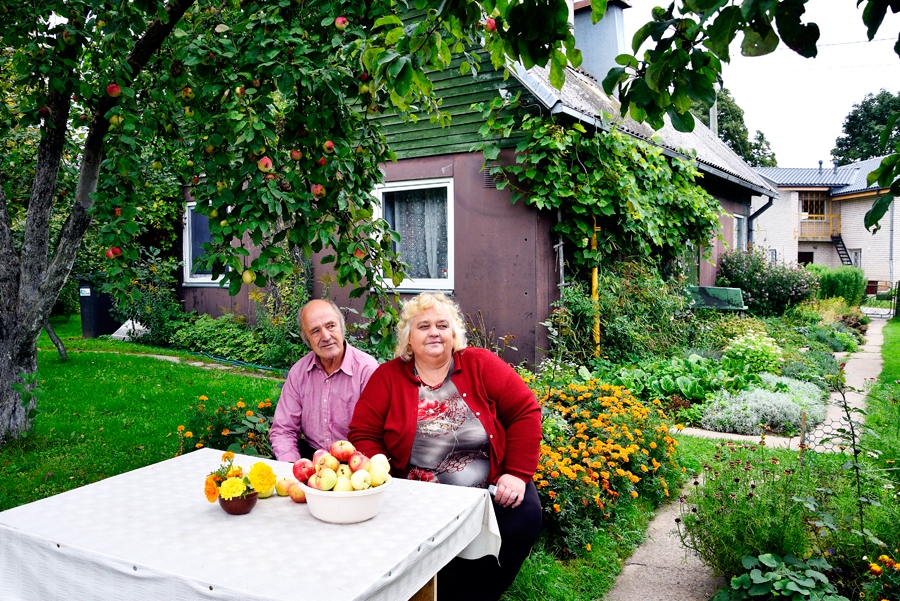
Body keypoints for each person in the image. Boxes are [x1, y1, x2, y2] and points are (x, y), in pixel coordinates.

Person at [348, 292, 542, 601]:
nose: (434, 332)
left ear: (454, 334)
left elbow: (525, 411)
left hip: (489, 490)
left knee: (525, 517)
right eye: (423, 326)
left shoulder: (480, 364)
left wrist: (516, 474)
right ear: (408, 338)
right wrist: (382, 472)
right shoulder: (386, 377)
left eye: (442, 324)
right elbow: (364, 432)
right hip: (419, 497)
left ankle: (478, 592)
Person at [270, 299, 379, 463]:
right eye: (315, 331)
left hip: (356, 462)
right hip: (313, 458)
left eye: (331, 326)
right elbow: (284, 429)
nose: (326, 336)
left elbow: (376, 435)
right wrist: (293, 467)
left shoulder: (367, 370)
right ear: (306, 338)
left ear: (341, 326)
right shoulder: (299, 372)